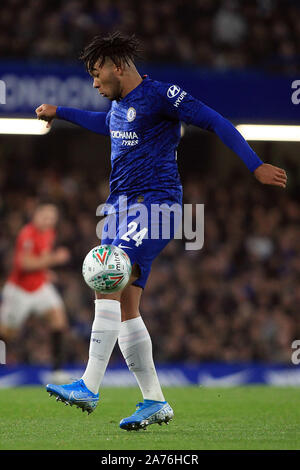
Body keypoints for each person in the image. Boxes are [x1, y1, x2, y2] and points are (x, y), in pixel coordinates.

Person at [35, 32, 287, 431]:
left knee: (106, 274)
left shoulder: (160, 95)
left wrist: (254, 164)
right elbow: (104, 123)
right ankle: (154, 400)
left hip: (155, 205)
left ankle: (89, 384)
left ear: (119, 66)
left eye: (97, 74)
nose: (95, 84)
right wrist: (60, 111)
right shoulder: (119, 106)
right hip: (119, 209)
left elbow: (215, 120)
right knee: (125, 305)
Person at [0, 203, 70, 382]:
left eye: (52, 217)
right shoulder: (27, 234)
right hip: (20, 290)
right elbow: (25, 264)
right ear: (36, 215)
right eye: (46, 216)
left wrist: (46, 271)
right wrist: (55, 259)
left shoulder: (49, 232)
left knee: (58, 319)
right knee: (7, 333)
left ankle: (57, 371)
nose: (49, 220)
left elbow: (40, 260)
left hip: (40, 286)